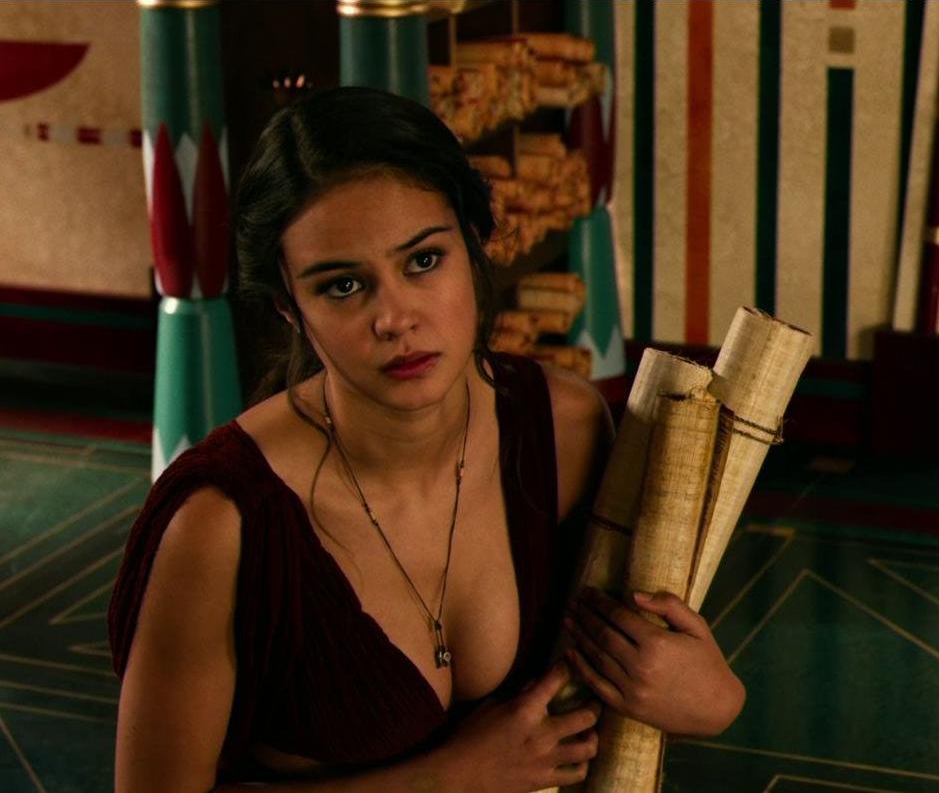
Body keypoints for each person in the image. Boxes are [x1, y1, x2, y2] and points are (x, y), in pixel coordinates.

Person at [107, 86, 745, 793]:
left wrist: (715, 700)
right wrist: (449, 778)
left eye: (423, 261)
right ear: (290, 308)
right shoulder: (219, 522)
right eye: (343, 286)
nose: (395, 318)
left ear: (472, 247)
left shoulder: (563, 429)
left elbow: (624, 671)